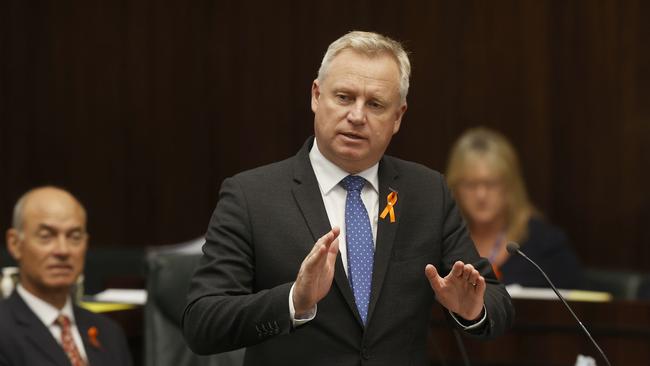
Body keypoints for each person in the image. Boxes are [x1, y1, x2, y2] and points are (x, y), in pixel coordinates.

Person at [183, 31, 514, 365]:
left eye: (375, 104)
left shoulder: (427, 193)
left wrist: (473, 310)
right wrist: (293, 301)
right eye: (344, 97)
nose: (357, 116)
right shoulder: (252, 196)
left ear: (397, 117)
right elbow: (202, 322)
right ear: (316, 96)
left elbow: (496, 300)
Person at [0, 186, 132, 366]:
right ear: (15, 244)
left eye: (74, 237)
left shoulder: (109, 333)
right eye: (46, 236)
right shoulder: (4, 330)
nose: (63, 250)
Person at [446, 127, 583, 289]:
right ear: (454, 188)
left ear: (510, 186)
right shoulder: (445, 242)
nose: (480, 195)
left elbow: (577, 306)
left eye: (491, 184)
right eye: (470, 184)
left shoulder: (546, 245)